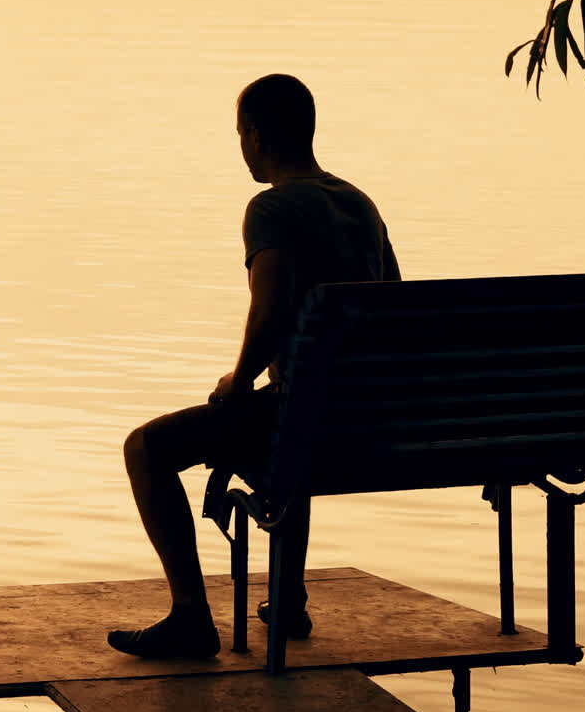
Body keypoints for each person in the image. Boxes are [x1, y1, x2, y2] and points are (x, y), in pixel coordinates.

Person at [107, 74, 401, 659]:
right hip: (366, 419)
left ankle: (190, 615)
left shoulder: (270, 207)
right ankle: (286, 600)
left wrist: (236, 382)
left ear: (256, 137)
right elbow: (395, 303)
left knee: (147, 448)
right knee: (294, 416)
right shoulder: (359, 203)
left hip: (310, 419)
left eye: (240, 134)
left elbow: (271, 306)